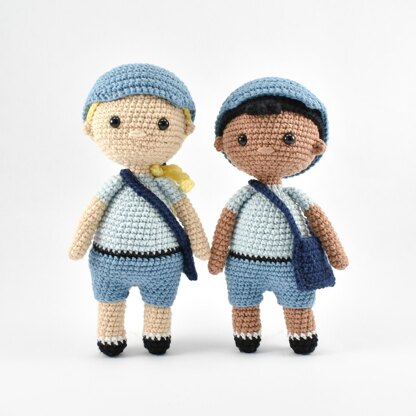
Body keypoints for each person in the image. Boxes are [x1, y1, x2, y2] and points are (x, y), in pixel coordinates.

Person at [69, 64, 210, 356]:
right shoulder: (114, 186)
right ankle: (110, 335)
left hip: (162, 261)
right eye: (116, 122)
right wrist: (79, 243)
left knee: (159, 301)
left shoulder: (168, 186)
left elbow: (187, 214)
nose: (137, 133)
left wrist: (200, 244)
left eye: (162, 123)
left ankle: (156, 334)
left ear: (185, 129)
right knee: (109, 300)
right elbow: (91, 214)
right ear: (91, 129)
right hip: (110, 261)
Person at [208, 78, 348, 354]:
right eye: (243, 139)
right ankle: (246, 335)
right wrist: (217, 259)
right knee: (243, 301)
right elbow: (225, 227)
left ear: (316, 146)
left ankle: (301, 334)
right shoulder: (241, 198)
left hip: (291, 265)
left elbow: (321, 225)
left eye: (288, 139)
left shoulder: (297, 197)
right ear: (222, 144)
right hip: (243, 265)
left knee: (297, 302)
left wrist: (336, 254)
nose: (264, 149)